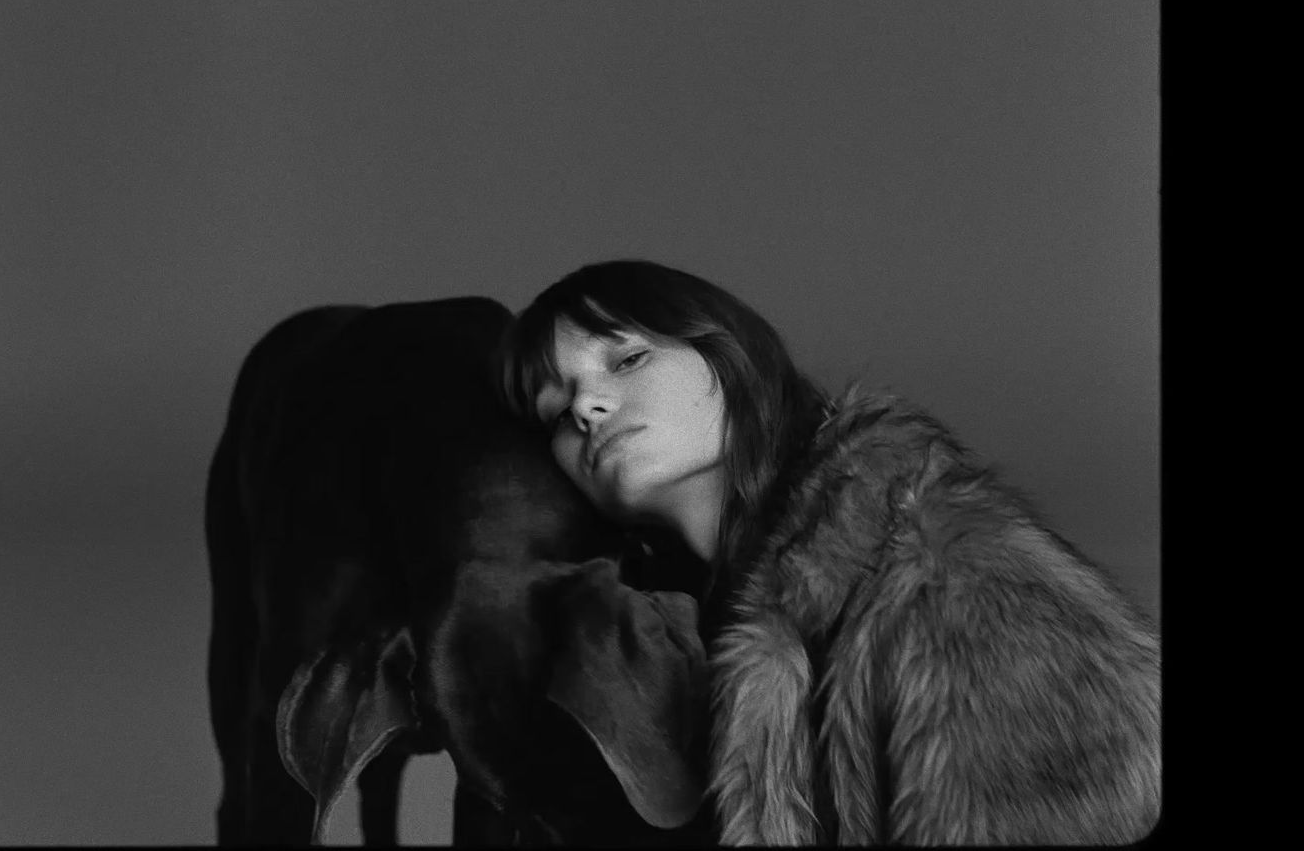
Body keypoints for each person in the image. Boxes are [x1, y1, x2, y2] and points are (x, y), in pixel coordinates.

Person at [495, 259, 1161, 845]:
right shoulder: (678, 641)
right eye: (558, 411)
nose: (586, 405)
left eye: (627, 359)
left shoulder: (952, 570)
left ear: (730, 356)